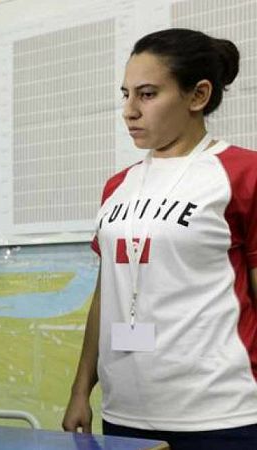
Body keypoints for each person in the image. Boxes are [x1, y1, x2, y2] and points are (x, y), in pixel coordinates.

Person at [62, 28, 257, 449]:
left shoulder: (242, 173)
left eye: (147, 94)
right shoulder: (118, 187)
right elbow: (106, 294)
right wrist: (81, 390)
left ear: (198, 95)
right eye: (125, 94)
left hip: (222, 414)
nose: (129, 110)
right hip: (126, 412)